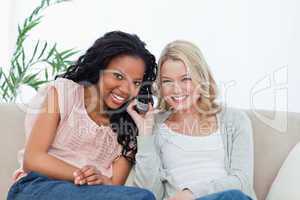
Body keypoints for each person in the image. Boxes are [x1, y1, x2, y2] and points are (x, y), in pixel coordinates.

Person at [7, 31, 157, 200]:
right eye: (118, 76)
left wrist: (101, 180)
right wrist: (82, 175)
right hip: (38, 186)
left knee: (144, 197)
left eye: (136, 82)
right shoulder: (64, 94)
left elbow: (114, 187)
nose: (126, 89)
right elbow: (33, 159)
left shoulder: (127, 128)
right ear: (99, 68)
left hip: (89, 193)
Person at [127, 40, 257, 200]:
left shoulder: (234, 120)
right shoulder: (155, 125)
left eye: (185, 79)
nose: (176, 89)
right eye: (167, 81)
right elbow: (148, 194)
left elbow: (242, 182)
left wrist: (192, 193)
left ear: (201, 78)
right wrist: (145, 135)